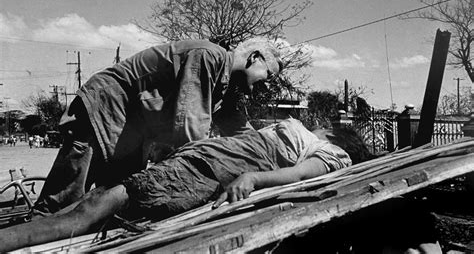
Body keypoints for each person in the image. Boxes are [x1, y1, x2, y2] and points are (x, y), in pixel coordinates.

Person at [0, 118, 352, 251]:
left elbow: (303, 175)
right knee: (94, 202)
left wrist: (253, 178)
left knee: (98, 207)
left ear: (337, 137)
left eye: (326, 128)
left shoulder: (334, 152)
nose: (320, 127)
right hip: (209, 156)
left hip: (218, 167)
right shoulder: (306, 134)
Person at [34, 39, 282, 214]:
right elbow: (190, 126)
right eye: (267, 76)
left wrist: (274, 152)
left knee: (114, 203)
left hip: (132, 129)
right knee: (63, 199)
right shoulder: (209, 56)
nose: (266, 86)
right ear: (254, 57)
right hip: (106, 108)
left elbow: (240, 130)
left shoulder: (225, 89)